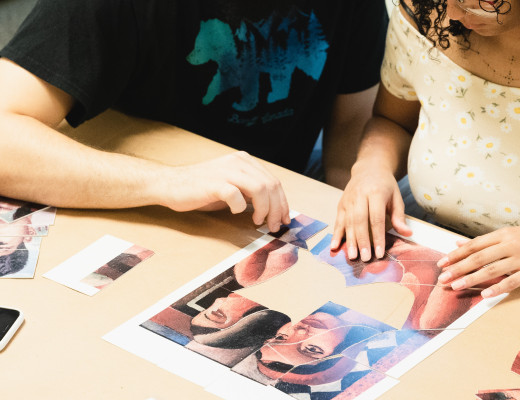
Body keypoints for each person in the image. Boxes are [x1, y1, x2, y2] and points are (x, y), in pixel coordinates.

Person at [0, 0, 388, 233]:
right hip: (136, 210)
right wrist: (169, 181)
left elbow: (351, 130)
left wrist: (355, 203)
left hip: (265, 218)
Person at [333, 0, 520, 298]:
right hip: (437, 241)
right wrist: (372, 168)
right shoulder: (426, 12)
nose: (455, 16)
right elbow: (393, 120)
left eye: (481, 5)